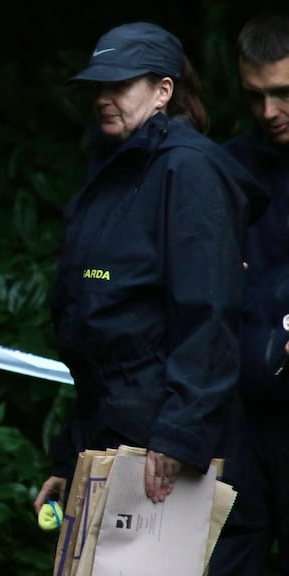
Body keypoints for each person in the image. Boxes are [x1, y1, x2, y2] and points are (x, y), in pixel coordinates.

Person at [33, 21, 259, 521]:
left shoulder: (189, 170)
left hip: (164, 449)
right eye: (98, 85)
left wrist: (179, 433)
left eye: (120, 84)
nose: (103, 98)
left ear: (163, 92)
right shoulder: (112, 169)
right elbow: (98, 328)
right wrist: (70, 457)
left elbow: (208, 313)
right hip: (112, 434)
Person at [207, 12, 289, 575]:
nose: (269, 112)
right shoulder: (226, 167)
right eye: (255, 96)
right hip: (235, 421)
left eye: (284, 93)